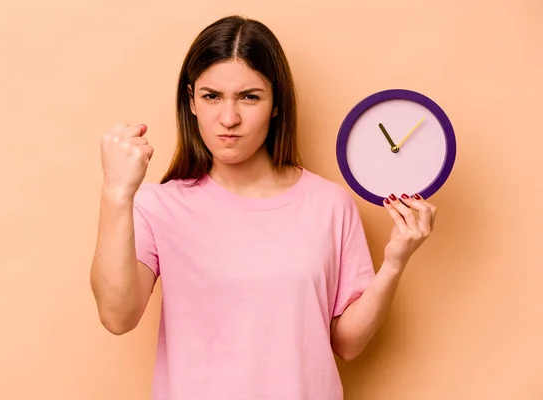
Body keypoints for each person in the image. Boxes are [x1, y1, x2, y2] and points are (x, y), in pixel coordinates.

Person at [90, 15, 437, 400]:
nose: (229, 118)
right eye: (211, 96)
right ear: (191, 101)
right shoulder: (158, 206)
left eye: (250, 97)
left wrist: (394, 261)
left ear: (276, 104)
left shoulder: (329, 204)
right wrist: (115, 194)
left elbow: (347, 343)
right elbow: (118, 317)